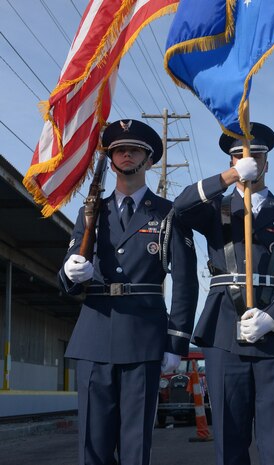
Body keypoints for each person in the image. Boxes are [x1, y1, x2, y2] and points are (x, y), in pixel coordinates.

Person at [173, 122, 274, 465]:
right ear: (231, 161)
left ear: (267, 163)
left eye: (254, 156)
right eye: (238, 156)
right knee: (230, 438)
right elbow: (179, 206)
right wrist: (227, 178)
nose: (247, 162)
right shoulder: (214, 209)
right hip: (224, 330)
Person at [59, 119, 198, 465]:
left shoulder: (168, 214)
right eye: (119, 150)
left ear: (149, 160)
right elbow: (68, 279)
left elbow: (185, 281)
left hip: (143, 337)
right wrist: (71, 271)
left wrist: (176, 341)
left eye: (134, 149)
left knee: (135, 445)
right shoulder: (91, 212)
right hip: (95, 334)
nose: (125, 155)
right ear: (110, 158)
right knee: (93, 444)